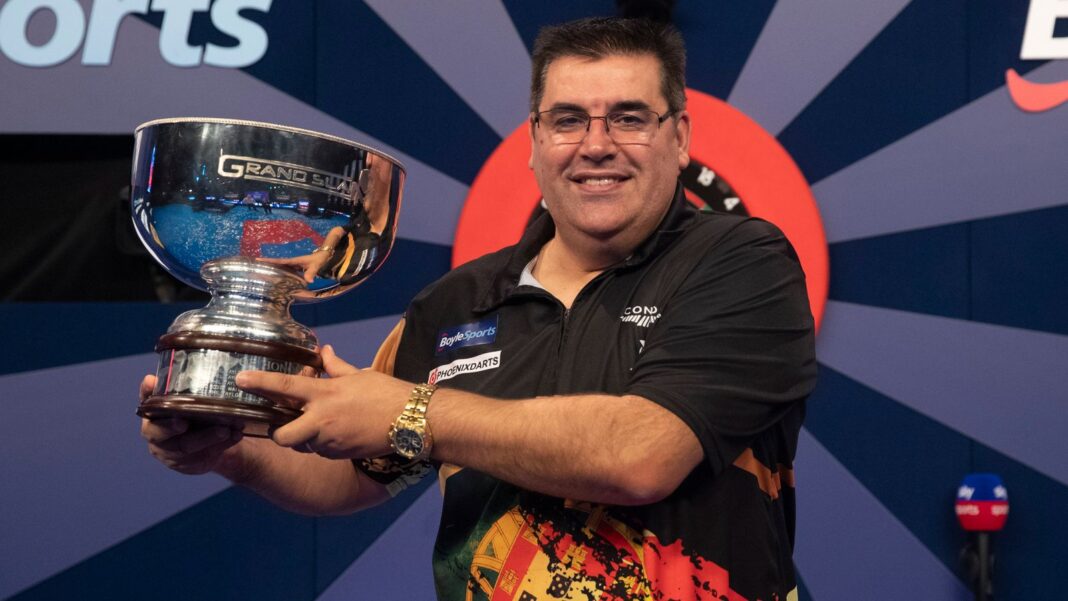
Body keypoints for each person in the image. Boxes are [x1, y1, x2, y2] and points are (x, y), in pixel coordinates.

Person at [141, 17, 816, 601]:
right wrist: (229, 449)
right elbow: (353, 474)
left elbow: (641, 454)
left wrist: (414, 412)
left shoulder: (742, 262)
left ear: (680, 136)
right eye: (568, 120)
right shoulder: (457, 302)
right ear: (535, 141)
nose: (596, 144)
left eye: (630, 118)